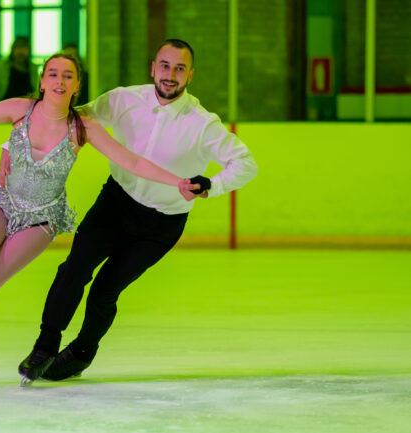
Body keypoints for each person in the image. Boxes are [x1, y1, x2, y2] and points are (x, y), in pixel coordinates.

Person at [0, 53, 197, 389]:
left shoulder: (82, 127)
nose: (60, 81)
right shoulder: (21, 109)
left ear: (77, 86)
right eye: (53, 74)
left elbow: (132, 162)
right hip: (0, 201)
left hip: (41, 219)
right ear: (43, 81)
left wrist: (178, 182)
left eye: (68, 76)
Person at [15, 39, 258, 383]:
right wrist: (39, 113)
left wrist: (212, 184)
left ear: (190, 75)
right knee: (74, 268)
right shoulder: (124, 99)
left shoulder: (203, 124)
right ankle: (45, 346)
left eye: (179, 68)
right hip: (115, 203)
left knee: (105, 290)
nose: (170, 74)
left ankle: (81, 353)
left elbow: (246, 164)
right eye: (165, 65)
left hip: (160, 226)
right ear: (153, 68)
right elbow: (77, 117)